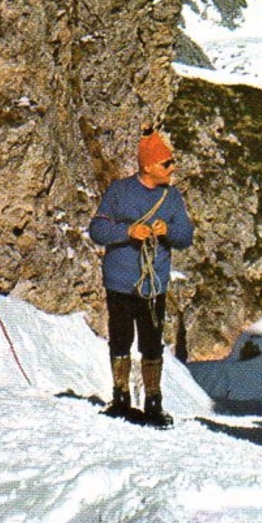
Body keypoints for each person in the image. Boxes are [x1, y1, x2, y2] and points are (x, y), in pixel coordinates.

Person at [87, 128, 196, 427]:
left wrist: (168, 232)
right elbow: (96, 229)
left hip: (153, 283)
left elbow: (186, 236)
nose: (172, 168)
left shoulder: (172, 197)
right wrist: (127, 232)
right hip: (120, 282)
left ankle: (152, 401)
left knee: (151, 342)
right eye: (167, 163)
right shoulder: (119, 191)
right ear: (148, 166)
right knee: (120, 339)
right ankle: (120, 396)